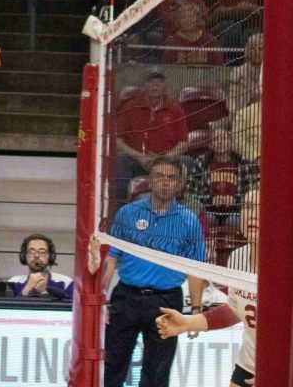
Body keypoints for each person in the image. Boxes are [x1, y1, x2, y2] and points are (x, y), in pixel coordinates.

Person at [98, 155, 207, 387]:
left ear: (180, 183)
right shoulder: (128, 214)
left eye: (171, 178)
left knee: (157, 373)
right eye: (160, 176)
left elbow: (196, 270)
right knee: (113, 364)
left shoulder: (189, 222)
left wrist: (196, 311)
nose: (165, 182)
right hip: (127, 297)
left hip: (166, 301)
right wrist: (101, 299)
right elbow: (111, 259)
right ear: (150, 180)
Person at [153, 189, 258, 387]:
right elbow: (236, 309)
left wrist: (277, 369)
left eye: (261, 208)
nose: (252, 214)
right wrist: (187, 322)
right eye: (248, 207)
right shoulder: (238, 257)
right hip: (249, 364)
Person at [115, 70, 189, 202]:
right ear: (144, 85)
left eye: (159, 82)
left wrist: (164, 158)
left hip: (167, 160)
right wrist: (140, 157)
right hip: (137, 160)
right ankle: (121, 206)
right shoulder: (130, 107)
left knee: (187, 162)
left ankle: (180, 207)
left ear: (165, 86)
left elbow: (183, 143)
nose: (155, 86)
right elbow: (118, 141)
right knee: (122, 161)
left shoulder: (175, 109)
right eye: (151, 82)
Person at [8, 234, 73, 299]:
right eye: (31, 251)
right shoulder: (14, 282)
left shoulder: (66, 282)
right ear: (24, 256)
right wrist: (27, 288)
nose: (36, 255)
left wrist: (44, 292)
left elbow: (73, 307)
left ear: (50, 256)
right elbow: (7, 307)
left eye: (42, 252)